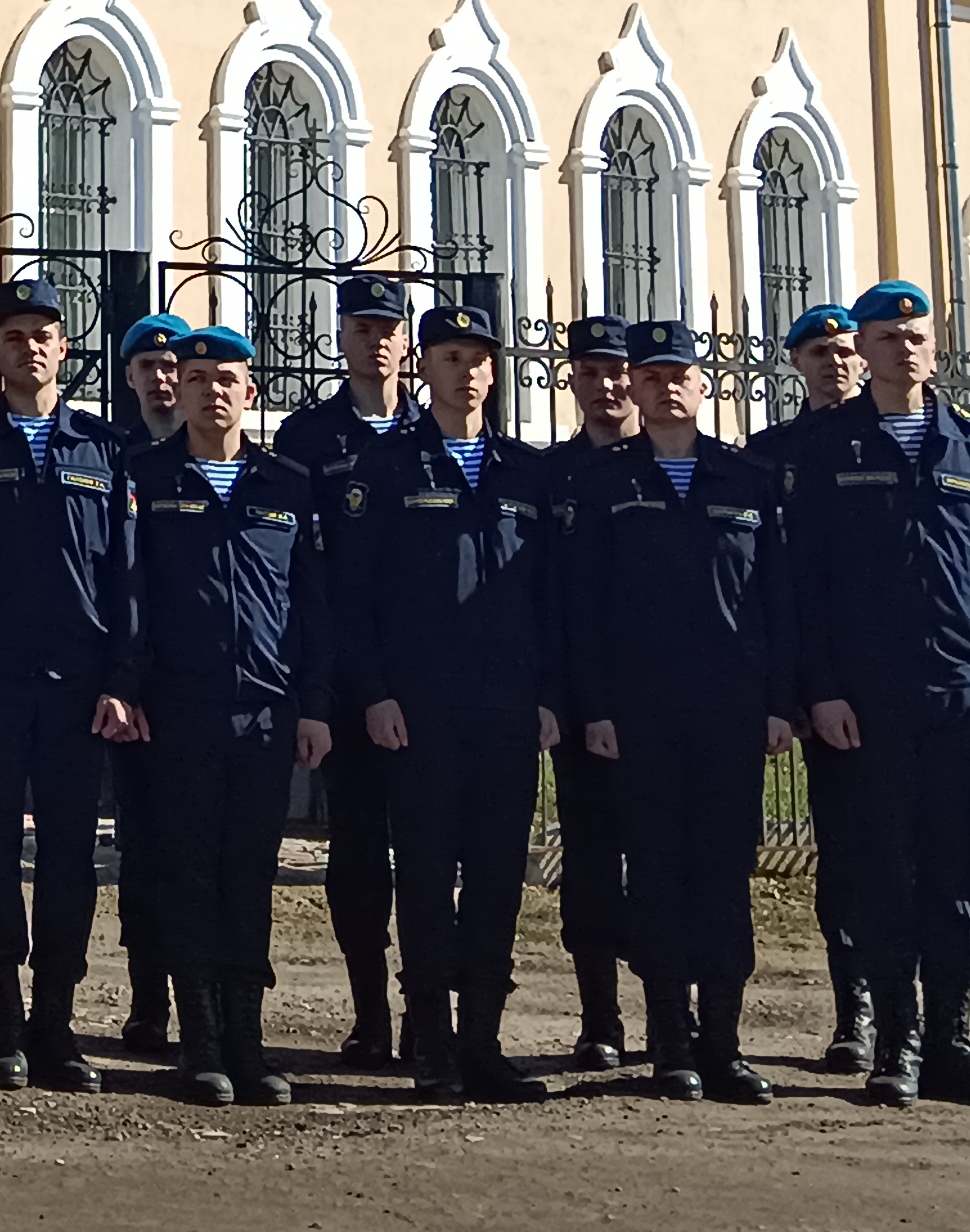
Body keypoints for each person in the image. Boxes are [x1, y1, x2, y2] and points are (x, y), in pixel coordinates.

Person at [784, 276, 970, 1110]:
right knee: (883, 874)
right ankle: (896, 1044)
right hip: (865, 702)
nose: (905, 347)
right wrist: (819, 689)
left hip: (958, 694)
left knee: (954, 878)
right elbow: (803, 588)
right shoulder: (827, 450)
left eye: (917, 334)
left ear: (935, 345)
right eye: (887, 338)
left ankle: (954, 1044)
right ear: (863, 349)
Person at [326, 298, 564, 1102]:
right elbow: (352, 598)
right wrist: (375, 695)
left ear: (495, 371)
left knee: (498, 876)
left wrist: (548, 696)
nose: (466, 372)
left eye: (478, 358)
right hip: (418, 712)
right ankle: (429, 1038)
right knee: (425, 875)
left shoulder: (525, 473)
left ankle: (483, 1042)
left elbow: (549, 602)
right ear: (422, 368)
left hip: (505, 710)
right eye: (450, 357)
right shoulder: (386, 470)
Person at [568, 314, 795, 1103]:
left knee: (725, 875)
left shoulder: (748, 481)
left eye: (679, 376)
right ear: (633, 386)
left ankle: (725, 1041)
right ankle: (670, 1037)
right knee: (657, 873)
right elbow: (584, 608)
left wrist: (779, 703)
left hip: (731, 709)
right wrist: (594, 706)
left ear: (703, 387)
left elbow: (776, 603)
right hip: (639, 713)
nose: (666, 388)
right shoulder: (605, 483)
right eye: (652, 376)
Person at [0, 276, 128, 1094]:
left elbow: (125, 575)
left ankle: (56, 1023)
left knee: (73, 864)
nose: (30, 348)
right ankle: (1, 1022)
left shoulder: (102, 448)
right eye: (13, 336)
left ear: (64, 350)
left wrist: (121, 679)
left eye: (43, 335)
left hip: (79, 690)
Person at [128, 324, 324, 1105]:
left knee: (248, 876)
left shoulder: (287, 485)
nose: (212, 391)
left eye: (227, 379)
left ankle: (248, 1036)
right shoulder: (144, 475)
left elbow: (311, 606)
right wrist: (129, 684)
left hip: (266, 714)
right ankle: (199, 1040)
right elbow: (131, 595)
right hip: (177, 711)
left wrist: (315, 706)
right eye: (196, 377)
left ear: (251, 393)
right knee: (187, 874)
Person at [269, 269, 422, 1064]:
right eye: (362, 326)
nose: (376, 338)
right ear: (342, 336)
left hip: (428, 682)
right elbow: (301, 572)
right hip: (346, 677)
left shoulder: (437, 437)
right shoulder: (308, 440)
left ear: (406, 339)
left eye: (388, 326)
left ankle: (433, 1010)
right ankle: (371, 1012)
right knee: (359, 853)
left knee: (432, 853)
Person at [747, 300, 874, 1071]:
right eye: (820, 350)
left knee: (899, 850)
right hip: (807, 672)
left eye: (847, 350)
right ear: (796, 363)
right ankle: (852, 1007)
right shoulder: (769, 457)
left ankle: (902, 1008)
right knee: (846, 849)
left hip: (874, 669)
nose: (837, 361)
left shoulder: (893, 440)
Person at [546, 307, 643, 1068]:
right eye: (592, 373)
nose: (607, 385)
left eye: (618, 372)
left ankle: (676, 1015)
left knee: (668, 860)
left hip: (665, 704)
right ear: (572, 382)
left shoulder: (673, 467)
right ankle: (600, 1018)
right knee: (589, 866)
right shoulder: (554, 478)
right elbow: (541, 603)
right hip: (582, 708)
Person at [101, 308, 188, 1048]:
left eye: (173, 368)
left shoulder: (221, 459)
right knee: (143, 847)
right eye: (148, 368)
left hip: (201, 682)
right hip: (136, 687)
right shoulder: (111, 458)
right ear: (127, 376)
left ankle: (211, 996)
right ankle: (147, 996)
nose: (162, 380)